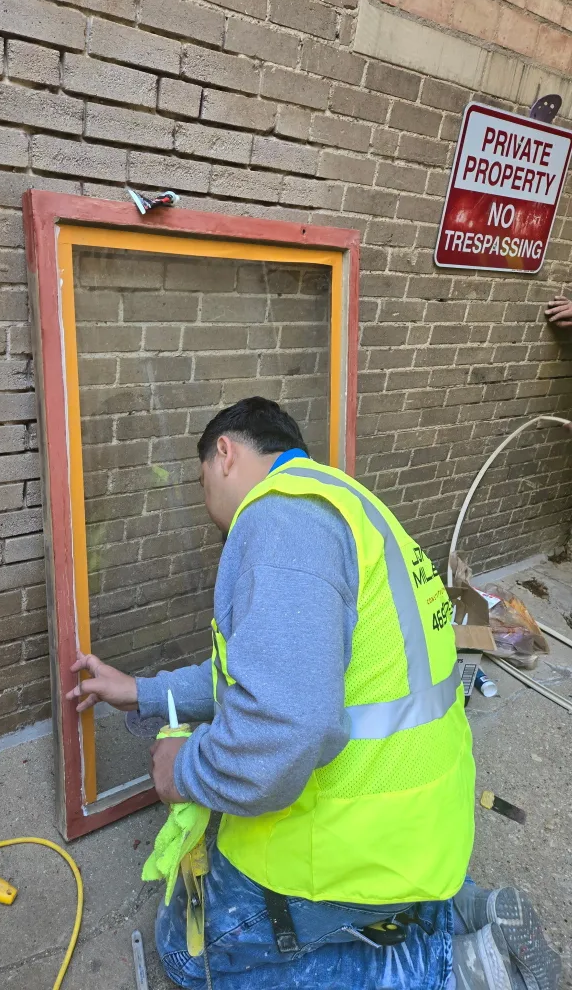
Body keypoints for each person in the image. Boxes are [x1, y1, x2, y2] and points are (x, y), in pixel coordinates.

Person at [68, 398, 561, 990]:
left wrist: (186, 770)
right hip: (425, 828)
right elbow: (264, 674)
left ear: (225, 452)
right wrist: (142, 692)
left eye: (202, 483)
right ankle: (458, 911)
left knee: (190, 949)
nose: (209, 510)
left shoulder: (280, 521)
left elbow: (287, 726)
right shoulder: (347, 504)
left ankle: (455, 969)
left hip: (349, 844)